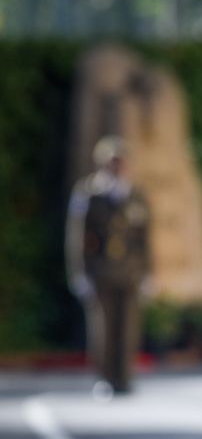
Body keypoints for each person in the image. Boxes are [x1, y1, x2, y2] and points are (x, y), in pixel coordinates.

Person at [65, 136, 150, 394]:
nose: (117, 167)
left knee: (127, 329)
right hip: (100, 271)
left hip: (130, 271)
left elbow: (144, 238)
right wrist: (79, 273)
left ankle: (125, 378)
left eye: (121, 162)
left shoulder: (134, 194)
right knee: (103, 329)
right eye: (112, 162)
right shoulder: (89, 193)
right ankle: (105, 378)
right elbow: (77, 236)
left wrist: (148, 272)